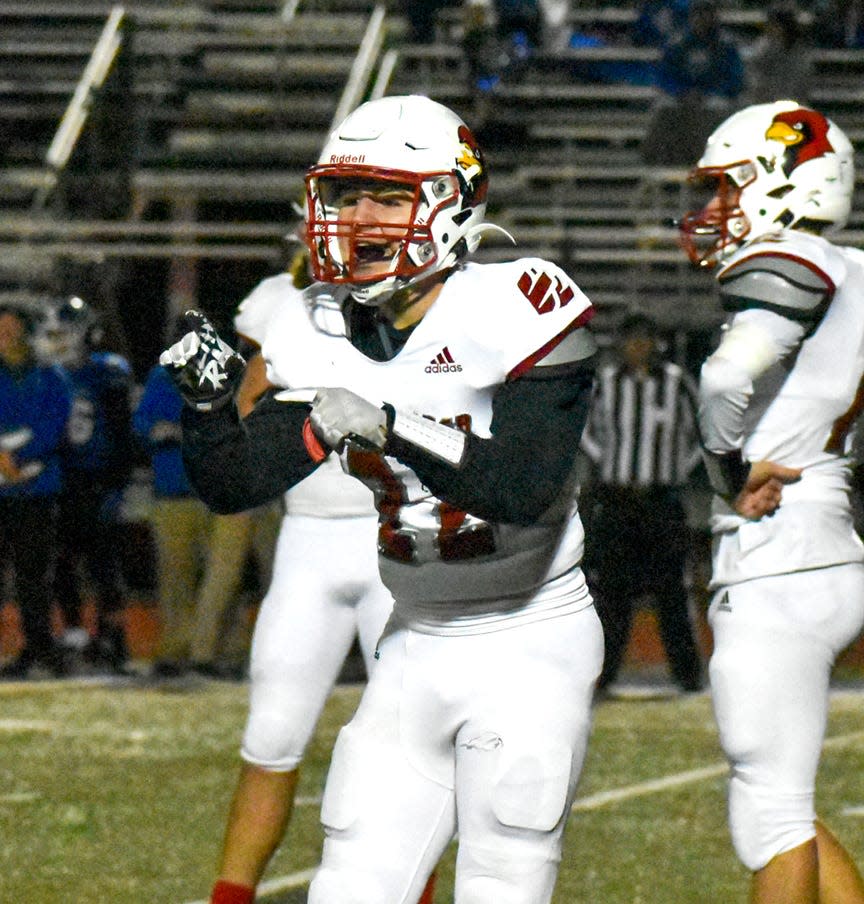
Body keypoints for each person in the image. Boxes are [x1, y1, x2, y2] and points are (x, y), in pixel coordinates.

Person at [161, 93, 602, 904]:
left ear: (447, 202)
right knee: (349, 886)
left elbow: (523, 486)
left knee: (499, 884)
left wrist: (392, 425)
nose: (358, 216)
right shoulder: (311, 324)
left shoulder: (520, 301)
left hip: (526, 641)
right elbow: (236, 485)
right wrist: (207, 410)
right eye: (344, 194)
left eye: (387, 196)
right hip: (412, 642)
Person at [678, 99, 864, 903]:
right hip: (822, 537)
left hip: (774, 554)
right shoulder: (851, 269)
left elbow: (725, 378)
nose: (715, 210)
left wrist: (727, 469)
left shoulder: (797, 258)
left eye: (730, 189)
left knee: (770, 817)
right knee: (783, 803)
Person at [207, 252, 413, 904]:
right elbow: (245, 411)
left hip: (400, 538)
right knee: (270, 734)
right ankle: (230, 895)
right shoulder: (284, 302)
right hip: (309, 535)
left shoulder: (434, 303)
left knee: (413, 744)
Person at [580, 312, 703, 695]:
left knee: (671, 590)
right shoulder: (605, 384)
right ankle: (604, 675)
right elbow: (585, 429)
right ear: (620, 344)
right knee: (612, 593)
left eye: (645, 339)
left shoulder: (676, 383)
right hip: (617, 500)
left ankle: (687, 677)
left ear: (656, 343)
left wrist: (676, 468)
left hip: (661, 500)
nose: (638, 347)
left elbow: (700, 430)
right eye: (631, 340)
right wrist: (606, 462)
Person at [132, 359, 264, 679]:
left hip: (218, 491)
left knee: (222, 580)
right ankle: (179, 649)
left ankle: (215, 651)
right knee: (177, 577)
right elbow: (144, 425)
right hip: (175, 490)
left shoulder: (233, 374)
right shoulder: (164, 378)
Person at [33, 296, 135, 672]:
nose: (57, 341)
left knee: (104, 565)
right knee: (60, 561)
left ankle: (114, 639)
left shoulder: (105, 371)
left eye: (65, 333)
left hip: (98, 479)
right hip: (60, 479)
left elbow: (122, 433)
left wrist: (117, 483)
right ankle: (75, 632)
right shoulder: (45, 375)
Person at [0, 301, 72, 679]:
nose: (5, 337)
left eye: (12, 330)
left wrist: (20, 456)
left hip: (37, 491)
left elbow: (55, 424)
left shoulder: (51, 376)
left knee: (33, 577)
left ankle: (38, 649)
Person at [641, 0, 744, 166]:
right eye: (698, 15)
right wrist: (682, 92)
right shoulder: (678, 43)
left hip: (714, 96)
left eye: (706, 15)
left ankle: (716, 160)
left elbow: (734, 78)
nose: (702, 20)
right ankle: (660, 160)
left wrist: (708, 93)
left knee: (718, 109)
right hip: (682, 95)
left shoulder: (726, 45)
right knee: (663, 108)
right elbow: (664, 77)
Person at [742, 2, 812, 107]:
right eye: (773, 25)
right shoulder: (762, 47)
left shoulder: (799, 52)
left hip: (793, 103)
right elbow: (753, 76)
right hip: (765, 103)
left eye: (779, 25)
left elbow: (803, 80)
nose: (775, 29)